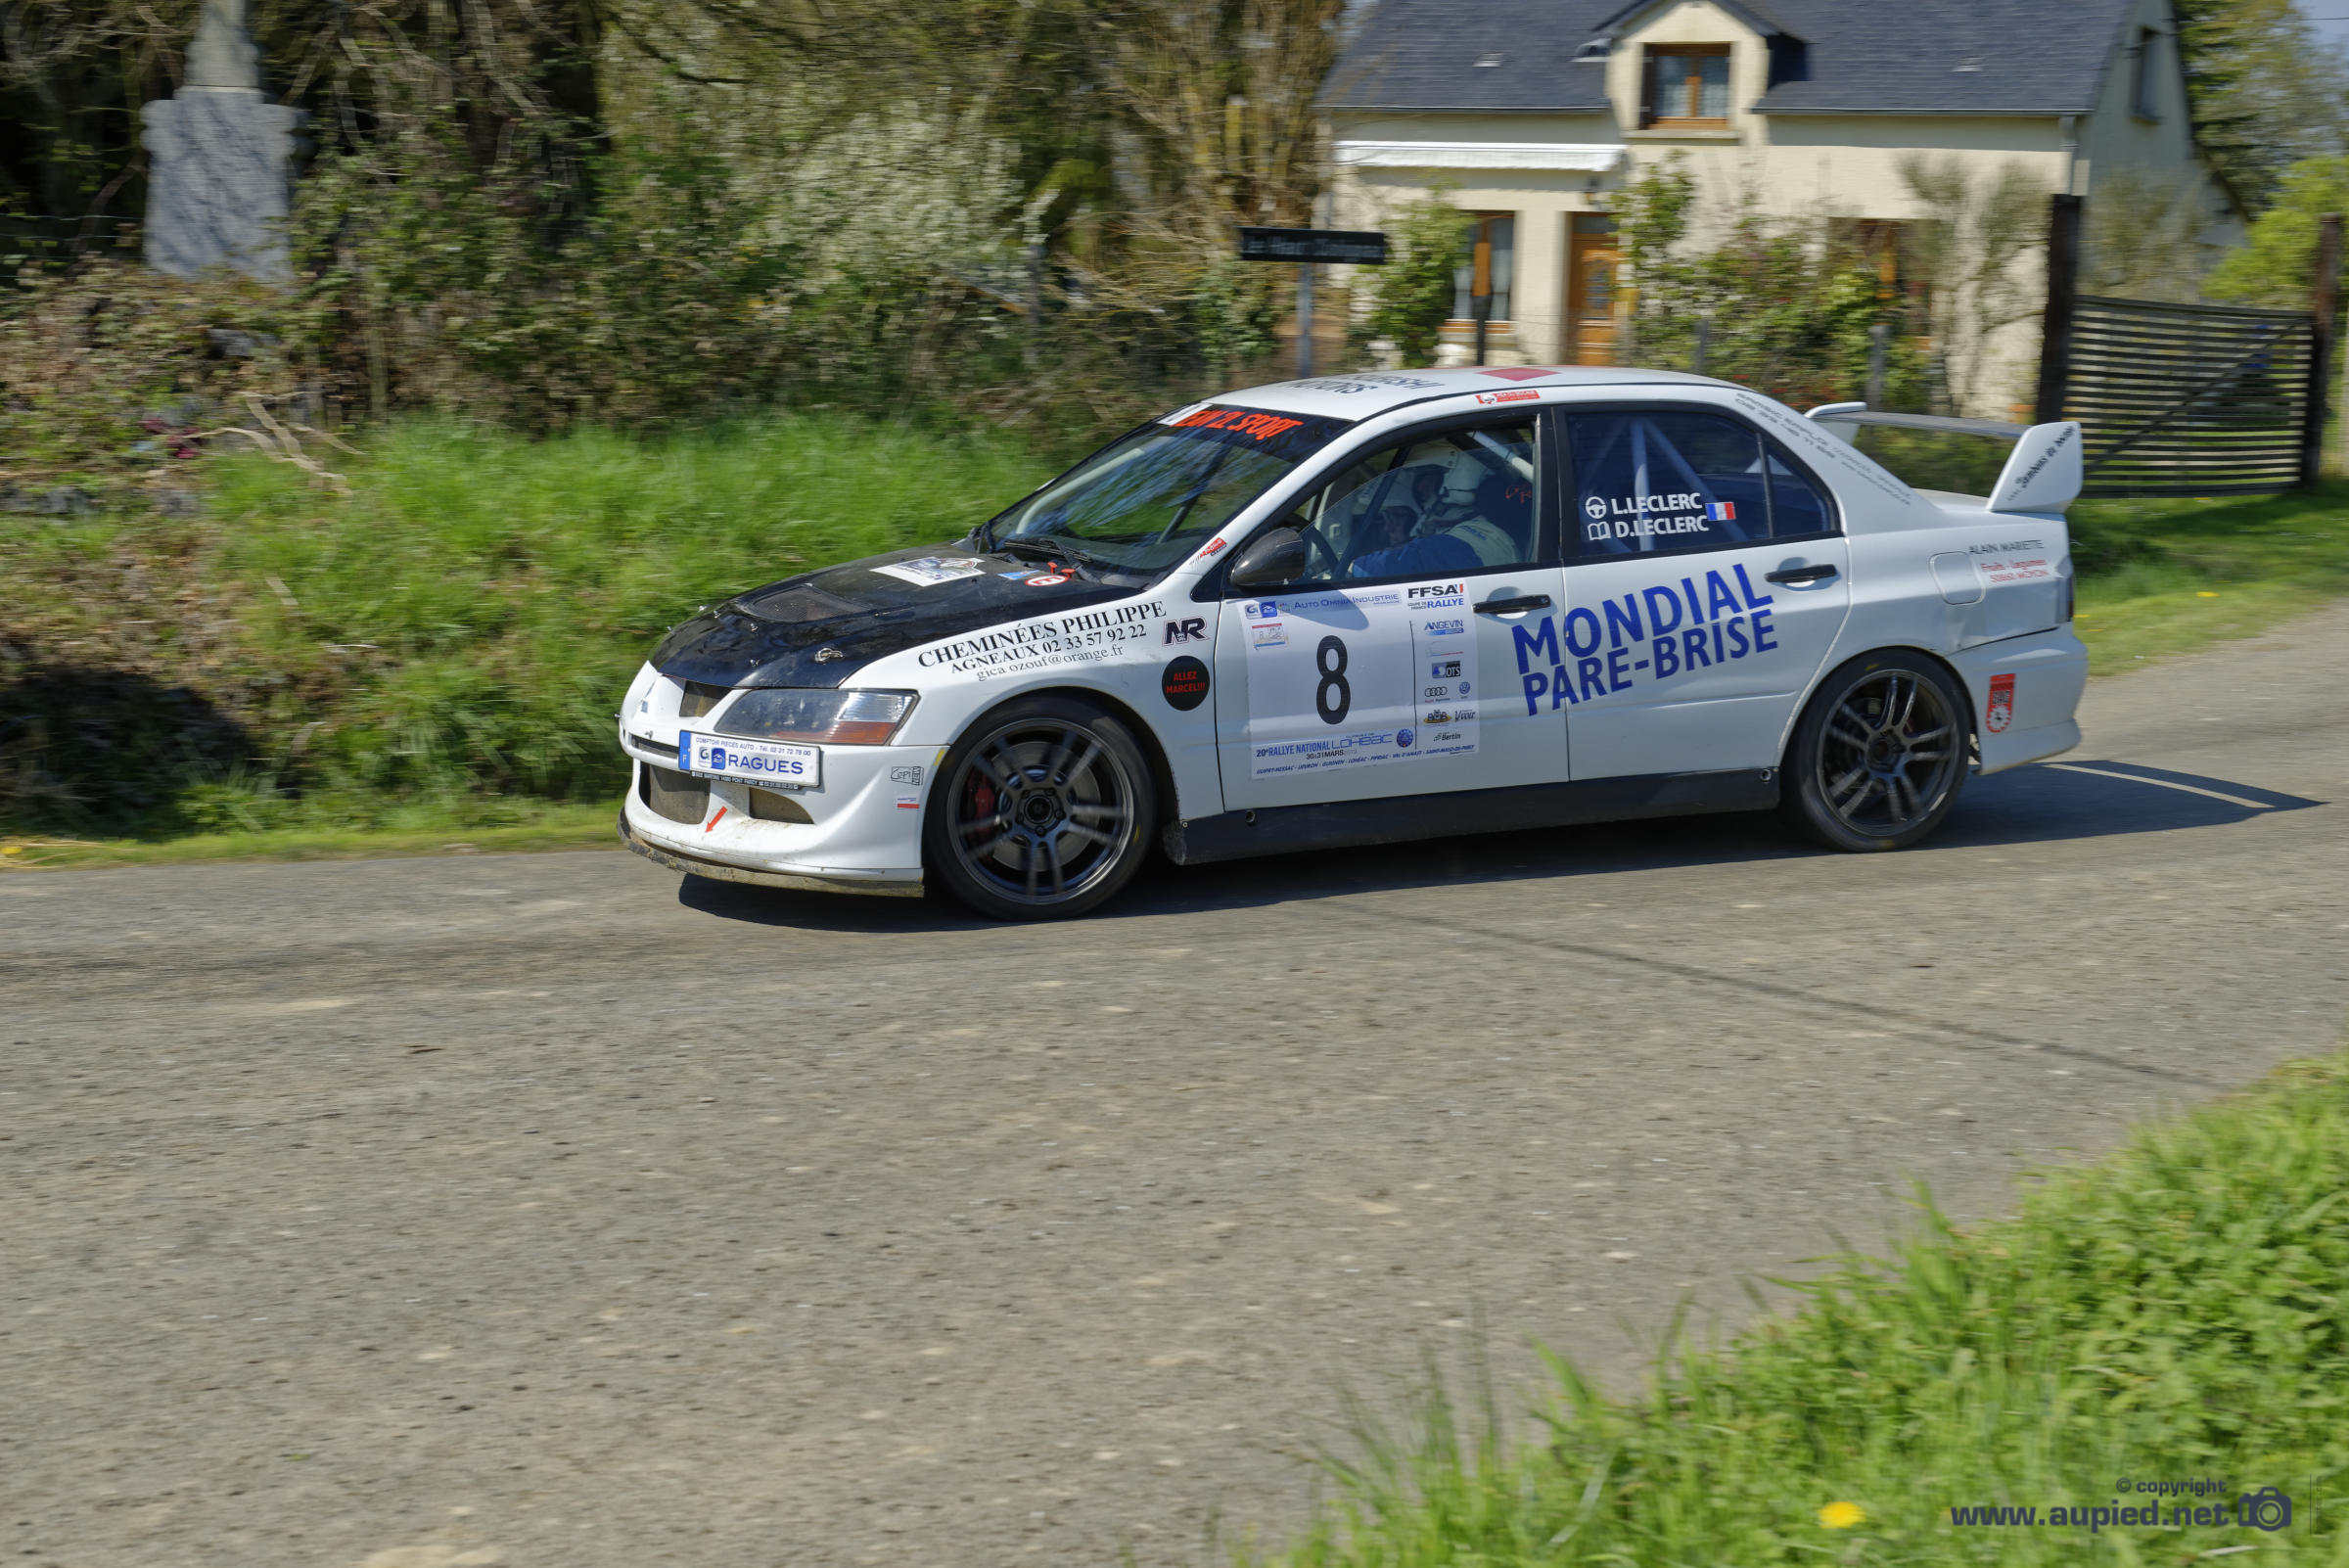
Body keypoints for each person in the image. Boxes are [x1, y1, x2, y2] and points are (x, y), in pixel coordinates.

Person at [1347, 471, 1525, 578]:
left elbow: (1420, 557)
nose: (1387, 528)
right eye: (1384, 519)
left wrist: (1351, 570)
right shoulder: (1462, 533)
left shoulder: (1480, 538)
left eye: (1395, 516)